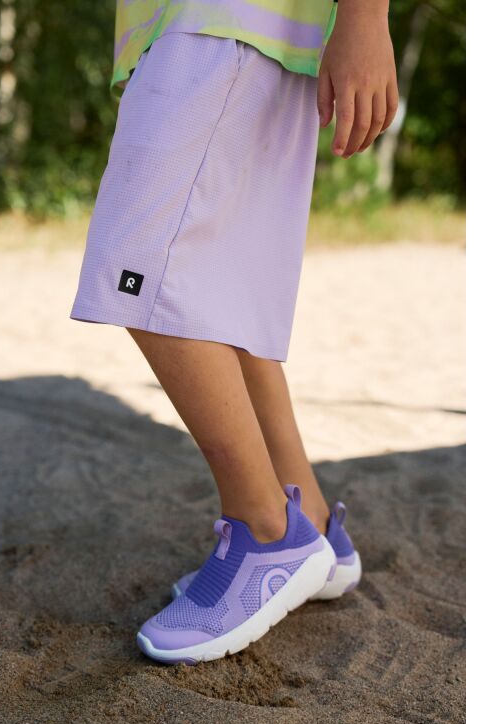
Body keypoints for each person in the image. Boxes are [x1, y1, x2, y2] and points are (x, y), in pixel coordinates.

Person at [70, 0, 398, 664]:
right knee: (218, 290)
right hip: (237, 30)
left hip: (221, 23)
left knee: (137, 267)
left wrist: (366, 18)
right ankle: (313, 526)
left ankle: (267, 529)